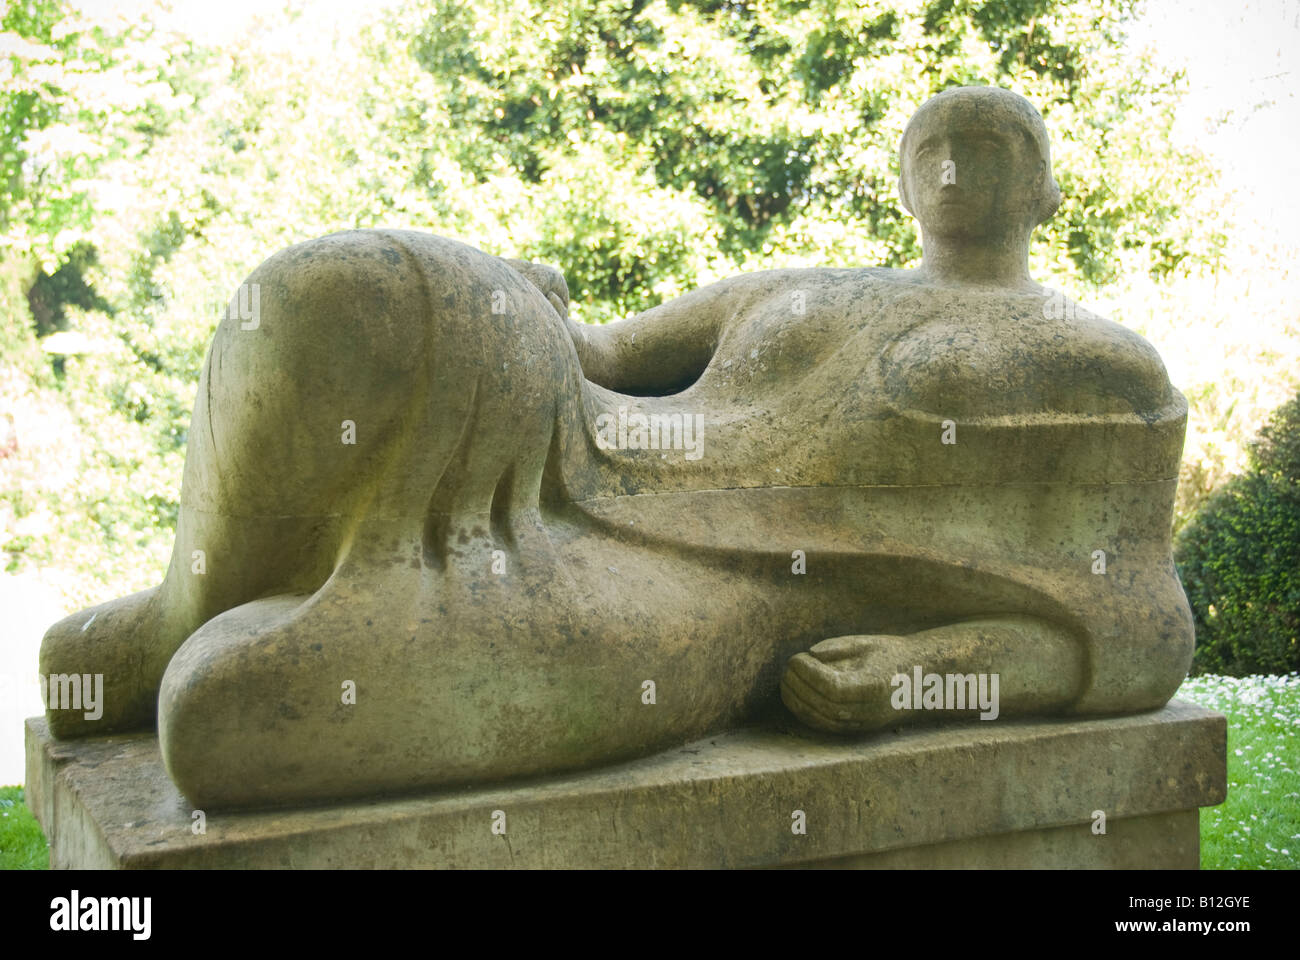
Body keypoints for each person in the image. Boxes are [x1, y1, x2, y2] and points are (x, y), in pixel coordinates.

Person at [40, 87, 1193, 808]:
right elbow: (595, 350)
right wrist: (532, 304)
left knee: (223, 721)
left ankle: (223, 636)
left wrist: (931, 678)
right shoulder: (809, 285)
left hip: (702, 588)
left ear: (1042, 187)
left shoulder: (1100, 364)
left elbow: (1141, 624)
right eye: (931, 142)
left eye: (987, 143)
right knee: (337, 290)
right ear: (900, 177)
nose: (951, 165)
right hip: (588, 440)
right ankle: (188, 606)